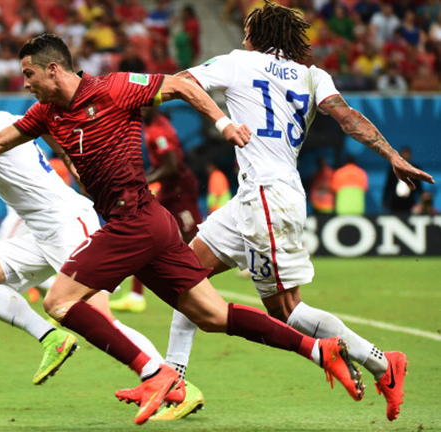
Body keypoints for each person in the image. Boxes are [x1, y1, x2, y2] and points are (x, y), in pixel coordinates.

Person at [0, 34, 366, 425]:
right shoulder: (45, 114)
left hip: (136, 221)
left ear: (53, 70)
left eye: (29, 74)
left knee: (59, 301)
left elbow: (183, 85)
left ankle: (157, 374)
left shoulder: (115, 88)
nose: (24, 83)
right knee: (213, 316)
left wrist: (223, 122)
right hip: (150, 226)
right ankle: (317, 351)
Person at [149, 1, 434, 422]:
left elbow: (176, 84)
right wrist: (392, 154)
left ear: (254, 35)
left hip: (267, 196)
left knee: (286, 312)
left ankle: (381, 362)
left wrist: (122, 90)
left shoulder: (237, 62)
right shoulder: (313, 75)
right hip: (261, 195)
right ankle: (174, 380)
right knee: (185, 276)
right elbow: (349, 120)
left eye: (247, 28)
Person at [0, 73, 173, 392]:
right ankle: (52, 338)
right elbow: (49, 127)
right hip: (41, 233)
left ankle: (167, 380)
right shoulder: (3, 119)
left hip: (66, 224)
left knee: (99, 317)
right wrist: (68, 159)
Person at [110, 107, 202, 314]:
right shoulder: (152, 125)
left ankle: (200, 288)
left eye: (141, 106)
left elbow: (171, 167)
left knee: (193, 237)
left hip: (180, 189)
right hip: (170, 188)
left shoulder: (161, 131)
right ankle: (136, 296)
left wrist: (142, 181)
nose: (138, 111)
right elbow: (162, 165)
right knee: (144, 231)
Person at [382, 146, 422, 214]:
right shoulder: (393, 169)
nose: (405, 157)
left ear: (410, 156)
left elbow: (419, 185)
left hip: (409, 200)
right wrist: (385, 199)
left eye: (407, 155)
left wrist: (421, 200)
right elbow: (388, 185)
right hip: (395, 201)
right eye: (403, 155)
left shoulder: (415, 169)